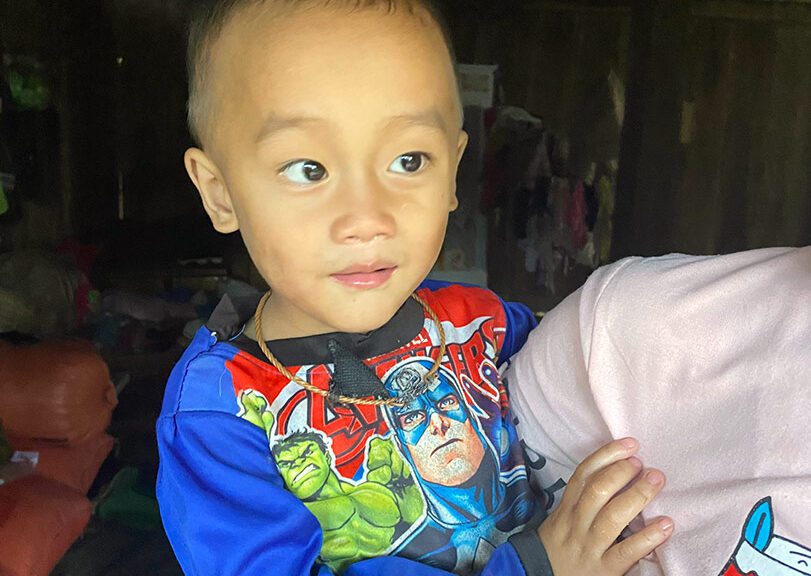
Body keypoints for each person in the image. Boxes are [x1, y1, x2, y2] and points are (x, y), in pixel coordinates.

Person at [156, 1, 673, 574]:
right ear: (219, 191)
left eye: (408, 160)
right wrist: (534, 567)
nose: (367, 217)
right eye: (308, 169)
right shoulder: (221, 411)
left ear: (452, 171)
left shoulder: (484, 323)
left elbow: (596, 369)